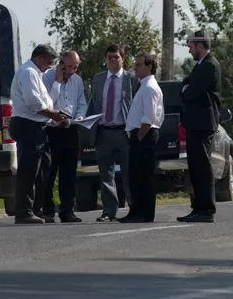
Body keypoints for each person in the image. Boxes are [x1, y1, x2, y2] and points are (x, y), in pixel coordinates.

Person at [9, 44, 66, 224]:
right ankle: (23, 211)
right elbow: (33, 102)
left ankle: (35, 208)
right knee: (28, 169)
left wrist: (53, 115)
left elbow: (45, 100)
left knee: (42, 168)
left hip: (38, 126)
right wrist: (53, 115)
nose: (49, 66)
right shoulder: (28, 72)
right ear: (39, 58)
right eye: (48, 62)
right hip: (27, 125)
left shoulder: (36, 73)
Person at [87, 44, 137, 223]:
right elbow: (93, 104)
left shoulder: (131, 78)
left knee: (129, 172)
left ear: (123, 58)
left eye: (116, 57)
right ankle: (109, 211)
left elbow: (137, 105)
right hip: (104, 132)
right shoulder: (99, 79)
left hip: (124, 132)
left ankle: (135, 208)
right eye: (110, 57)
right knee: (106, 174)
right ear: (106, 59)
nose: (113, 60)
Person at [177, 30, 221, 224]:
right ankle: (198, 207)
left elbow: (191, 91)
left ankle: (207, 209)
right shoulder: (200, 66)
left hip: (203, 123)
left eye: (191, 46)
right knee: (195, 167)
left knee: (203, 167)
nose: (189, 50)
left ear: (200, 46)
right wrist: (186, 89)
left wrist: (187, 89)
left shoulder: (210, 65)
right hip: (195, 123)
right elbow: (184, 86)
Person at [40, 50, 86, 223]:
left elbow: (81, 103)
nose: (72, 71)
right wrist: (58, 81)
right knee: (50, 172)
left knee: (69, 173)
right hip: (52, 130)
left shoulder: (77, 81)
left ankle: (67, 210)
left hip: (71, 129)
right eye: (68, 67)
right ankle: (48, 210)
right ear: (60, 64)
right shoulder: (46, 78)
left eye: (75, 67)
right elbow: (47, 104)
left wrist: (78, 119)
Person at [118, 54, 164, 223]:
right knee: (135, 176)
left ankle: (145, 214)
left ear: (149, 66)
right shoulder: (142, 86)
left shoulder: (150, 87)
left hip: (145, 135)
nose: (134, 67)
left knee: (144, 176)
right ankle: (135, 211)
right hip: (139, 134)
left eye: (138, 64)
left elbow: (149, 118)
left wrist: (138, 138)